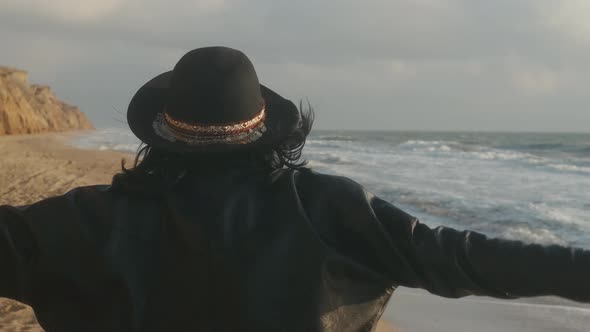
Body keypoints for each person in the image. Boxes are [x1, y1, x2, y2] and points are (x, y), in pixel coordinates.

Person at [0, 46, 589, 332]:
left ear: (162, 130)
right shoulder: (330, 209)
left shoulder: (85, 219)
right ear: (267, 128)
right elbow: (464, 258)